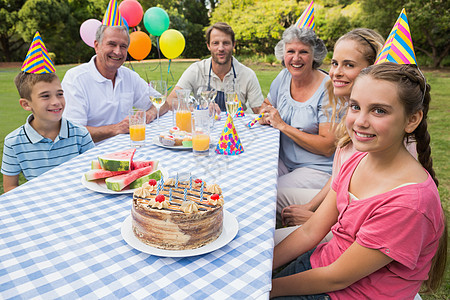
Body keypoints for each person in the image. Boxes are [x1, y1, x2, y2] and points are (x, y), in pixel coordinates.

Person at [270, 62, 447, 299]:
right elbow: (311, 231)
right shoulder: (358, 160)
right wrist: (261, 270)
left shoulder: (409, 204)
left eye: (379, 111)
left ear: (411, 120)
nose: (360, 121)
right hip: (320, 264)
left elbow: (338, 277)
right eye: (355, 106)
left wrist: (264, 290)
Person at [275, 28, 385, 237]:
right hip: (339, 209)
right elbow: (339, 179)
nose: (335, 72)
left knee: (270, 248)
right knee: (270, 194)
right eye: (335, 64)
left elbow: (373, 211)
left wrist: (318, 218)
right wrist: (311, 207)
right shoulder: (347, 112)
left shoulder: (374, 129)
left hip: (350, 231)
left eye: (349, 65)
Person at [259, 25, 334, 193]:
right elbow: (266, 104)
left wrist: (282, 125)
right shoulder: (283, 77)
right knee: (254, 177)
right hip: (284, 161)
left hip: (317, 168)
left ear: (314, 55)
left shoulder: (328, 89)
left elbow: (327, 147)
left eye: (304, 52)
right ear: (283, 54)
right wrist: (266, 113)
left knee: (269, 192)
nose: (296, 58)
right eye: (291, 51)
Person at [62, 25, 159, 143]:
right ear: (97, 46)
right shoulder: (75, 79)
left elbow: (162, 102)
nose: (118, 51)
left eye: (123, 46)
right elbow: (73, 133)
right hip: (91, 154)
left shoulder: (129, 76)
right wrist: (116, 129)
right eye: (112, 44)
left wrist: (151, 113)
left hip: (126, 149)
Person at [2, 71, 94, 193]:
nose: (56, 102)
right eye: (45, 96)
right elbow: (10, 187)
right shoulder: (13, 142)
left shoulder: (80, 134)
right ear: (26, 104)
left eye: (60, 94)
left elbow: (94, 173)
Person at [165, 22, 264, 114]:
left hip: (235, 130)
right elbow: (171, 101)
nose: (221, 48)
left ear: (233, 44)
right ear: (208, 46)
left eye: (226, 43)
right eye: (215, 43)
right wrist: (198, 107)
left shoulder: (247, 75)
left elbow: (259, 110)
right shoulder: (196, 70)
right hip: (204, 130)